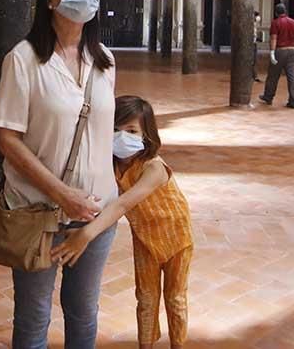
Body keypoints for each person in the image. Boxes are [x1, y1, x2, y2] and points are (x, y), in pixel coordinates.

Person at [0, 0, 118, 349]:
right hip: (38, 211)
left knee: (83, 313)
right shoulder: (24, 60)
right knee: (33, 319)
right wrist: (63, 194)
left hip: (96, 213)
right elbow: (7, 139)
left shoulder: (105, 61)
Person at [52, 96, 193, 349]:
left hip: (177, 239)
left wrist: (86, 235)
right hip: (145, 239)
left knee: (175, 299)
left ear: (146, 134)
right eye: (115, 129)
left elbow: (122, 204)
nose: (121, 136)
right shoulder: (112, 166)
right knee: (146, 299)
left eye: (131, 131)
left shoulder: (154, 168)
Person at [260, 3, 294, 109]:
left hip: (280, 51)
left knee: (273, 76)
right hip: (292, 51)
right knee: (292, 77)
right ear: (285, 11)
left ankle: (268, 97)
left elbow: (274, 38)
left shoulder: (276, 23)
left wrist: (272, 53)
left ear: (276, 12)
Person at [252, 11, 263, 82]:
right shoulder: (250, 23)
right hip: (251, 44)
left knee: (254, 61)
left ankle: (254, 76)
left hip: (254, 42)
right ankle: (253, 76)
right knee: (252, 60)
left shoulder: (254, 23)